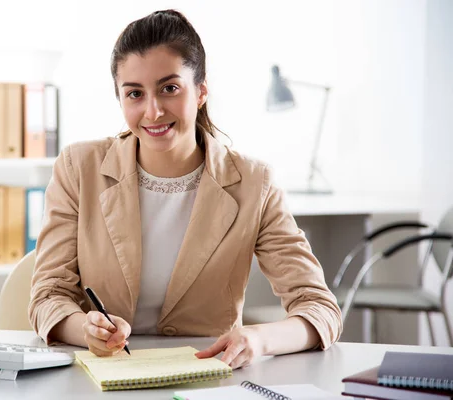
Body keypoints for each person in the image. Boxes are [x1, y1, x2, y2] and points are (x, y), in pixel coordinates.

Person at [29, 9, 342, 370]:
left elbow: (319, 308)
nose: (153, 111)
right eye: (134, 94)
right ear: (120, 99)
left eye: (169, 88)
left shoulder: (254, 183)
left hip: (208, 376)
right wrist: (87, 329)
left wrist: (258, 338)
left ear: (201, 91)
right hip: (102, 376)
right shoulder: (78, 168)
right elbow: (48, 296)